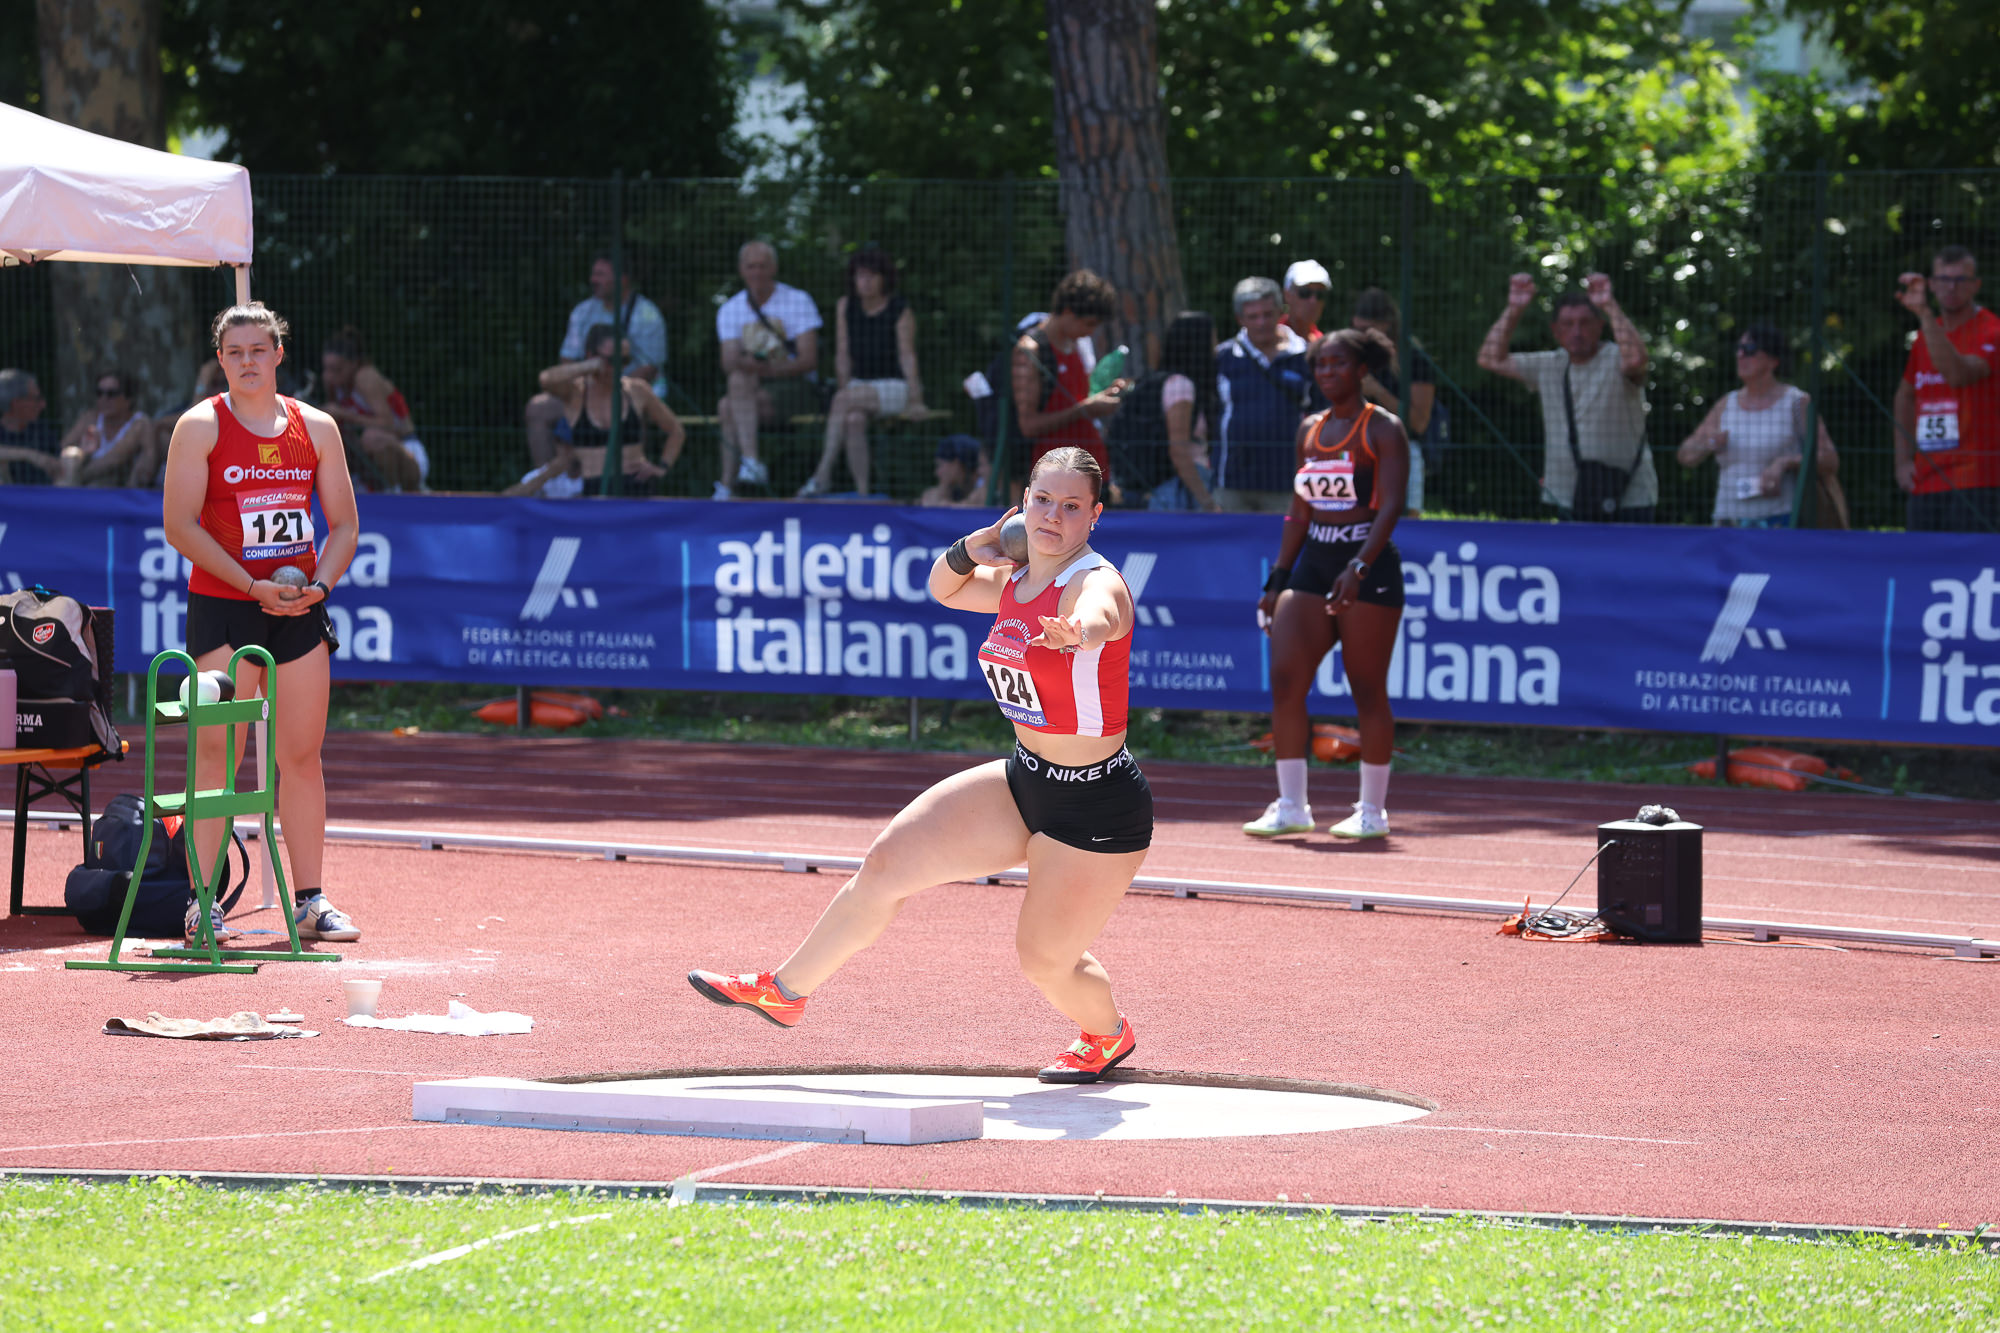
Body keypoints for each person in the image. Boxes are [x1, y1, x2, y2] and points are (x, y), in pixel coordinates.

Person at [689, 446, 1151, 1084]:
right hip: (1024, 779)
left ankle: (1106, 1034)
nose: (1053, 515)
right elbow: (943, 587)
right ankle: (784, 992)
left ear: (1094, 516)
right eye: (1043, 500)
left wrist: (1077, 631)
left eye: (1072, 506)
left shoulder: (1095, 582)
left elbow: (1103, 614)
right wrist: (970, 548)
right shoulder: (1015, 582)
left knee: (1044, 961)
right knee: (886, 865)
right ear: (1024, 501)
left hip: (1098, 805)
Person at [160, 302, 362, 946]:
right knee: (218, 754)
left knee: (300, 755)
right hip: (227, 608)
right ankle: (203, 905)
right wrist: (250, 586)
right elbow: (179, 526)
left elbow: (345, 526)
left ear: (279, 353)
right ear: (220, 360)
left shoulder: (317, 427)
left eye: (258, 350)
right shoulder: (200, 426)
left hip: (299, 610)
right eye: (235, 352)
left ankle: (310, 901)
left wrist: (320, 587)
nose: (247, 361)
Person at [1245, 329, 1410, 842]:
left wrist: (1358, 566)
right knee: (1285, 679)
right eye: (1321, 364)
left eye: (1338, 364)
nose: (1327, 373)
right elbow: (1299, 511)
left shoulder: (1382, 429)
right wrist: (1278, 577)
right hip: (1314, 565)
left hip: (1367, 566)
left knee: (1367, 688)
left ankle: (1372, 811)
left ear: (1361, 369)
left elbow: (1391, 506)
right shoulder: (1310, 430)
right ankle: (1292, 805)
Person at [1477, 272, 1656, 522]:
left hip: (1629, 495)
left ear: (1600, 325)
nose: (1577, 331)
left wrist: (1609, 305)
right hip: (1566, 495)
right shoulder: (1549, 364)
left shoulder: (1617, 358)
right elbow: (1489, 358)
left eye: (1585, 323)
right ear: (1555, 331)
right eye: (1568, 324)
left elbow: (1637, 359)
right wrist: (1514, 309)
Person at [1677, 324, 1844, 528]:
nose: (1740, 355)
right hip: (1728, 522)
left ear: (1774, 360)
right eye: (1738, 348)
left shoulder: (1796, 402)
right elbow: (1685, 456)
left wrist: (1786, 462)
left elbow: (1829, 460)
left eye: (1749, 349)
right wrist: (1709, 443)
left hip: (1780, 521)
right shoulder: (1726, 404)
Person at [799, 247, 926, 498]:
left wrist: (916, 398)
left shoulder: (900, 309)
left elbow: (907, 355)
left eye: (872, 275)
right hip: (857, 388)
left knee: (842, 401)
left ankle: (822, 475)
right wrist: (845, 386)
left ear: (884, 279)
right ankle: (863, 492)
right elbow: (843, 352)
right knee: (853, 420)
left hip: (894, 386)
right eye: (860, 276)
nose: (865, 282)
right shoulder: (845, 306)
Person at [1892, 244, 2000, 532]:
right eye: (1943, 279)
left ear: (1976, 285)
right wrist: (1902, 461)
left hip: (1977, 481)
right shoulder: (1924, 337)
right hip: (1927, 480)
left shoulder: (1991, 331)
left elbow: (1957, 374)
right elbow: (1904, 395)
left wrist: (1924, 314)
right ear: (1932, 284)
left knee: (1971, 558)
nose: (1951, 287)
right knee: (1921, 559)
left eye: (1960, 279)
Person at [519, 323, 682, 497]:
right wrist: (587, 367)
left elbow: (676, 430)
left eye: (625, 361)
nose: (619, 368)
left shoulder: (637, 390)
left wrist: (662, 467)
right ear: (591, 356)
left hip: (637, 487)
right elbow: (546, 379)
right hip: (594, 490)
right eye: (612, 361)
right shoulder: (576, 393)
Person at [715, 240, 821, 497]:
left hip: (795, 386)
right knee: (731, 396)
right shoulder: (730, 309)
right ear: (741, 269)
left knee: (728, 407)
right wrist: (750, 365)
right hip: (752, 386)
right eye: (751, 266)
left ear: (774, 268)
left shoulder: (798, 300)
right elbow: (728, 362)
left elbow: (808, 359)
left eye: (762, 266)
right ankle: (747, 467)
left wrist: (766, 369)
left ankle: (729, 485)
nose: (757, 272)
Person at [1012, 270, 1126, 483]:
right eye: (1089, 323)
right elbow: (1029, 426)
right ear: (1067, 311)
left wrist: (1103, 394)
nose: (1091, 332)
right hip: (1056, 479)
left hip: (1093, 471)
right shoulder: (1031, 351)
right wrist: (1085, 410)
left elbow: (1077, 399)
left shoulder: (1077, 344)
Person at [1215, 276, 1315, 511]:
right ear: (1240, 319)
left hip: (1288, 482)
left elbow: (1320, 413)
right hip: (1233, 482)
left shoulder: (1306, 356)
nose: (1261, 323)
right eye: (1253, 316)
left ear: (1281, 312)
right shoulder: (1222, 358)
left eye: (1268, 314)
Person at [1107, 310, 1220, 512]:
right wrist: (1206, 501)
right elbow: (1179, 451)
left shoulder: (1158, 380)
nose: (1216, 346)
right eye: (1213, 338)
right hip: (1180, 488)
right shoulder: (1182, 386)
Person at [1351, 287, 1442, 514]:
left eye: (1367, 329)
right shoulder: (1350, 355)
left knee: (1405, 523)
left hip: (1402, 451)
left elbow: (1418, 423)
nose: (1361, 336)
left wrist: (1377, 392)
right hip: (1357, 449)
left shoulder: (1415, 360)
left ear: (1385, 325)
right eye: (1357, 329)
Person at [319, 328, 426, 493]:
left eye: (337, 369)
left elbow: (388, 424)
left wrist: (342, 413)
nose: (329, 376)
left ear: (354, 364)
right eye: (326, 369)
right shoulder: (334, 383)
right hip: (367, 460)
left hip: (406, 448)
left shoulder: (365, 378)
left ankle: (396, 491)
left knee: (372, 438)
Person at [559, 252, 668, 394]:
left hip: (635, 392)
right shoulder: (582, 311)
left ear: (623, 279)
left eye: (600, 274)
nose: (593, 279)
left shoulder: (647, 315)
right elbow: (568, 358)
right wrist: (587, 390)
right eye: (593, 274)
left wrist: (611, 394)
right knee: (539, 406)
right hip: (587, 391)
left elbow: (649, 368)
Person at [55, 370, 154, 487]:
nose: (104, 399)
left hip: (121, 486)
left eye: (111, 394)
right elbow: (64, 447)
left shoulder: (140, 423)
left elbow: (116, 458)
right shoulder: (91, 418)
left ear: (129, 399)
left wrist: (78, 476)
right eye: (99, 393)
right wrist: (83, 451)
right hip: (87, 481)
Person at [0, 369, 61, 485]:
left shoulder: (42, 432)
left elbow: (59, 461)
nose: (43, 405)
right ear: (16, 403)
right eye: (36, 399)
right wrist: (29, 455)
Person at [919, 434, 988, 507]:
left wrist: (940, 502)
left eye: (940, 465)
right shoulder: (958, 489)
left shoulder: (985, 486)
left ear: (956, 465)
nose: (937, 473)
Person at [1283, 260, 1331, 342]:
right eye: (1305, 293)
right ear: (1287, 295)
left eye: (1320, 295)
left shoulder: (1322, 343)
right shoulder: (1269, 336)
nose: (1313, 301)